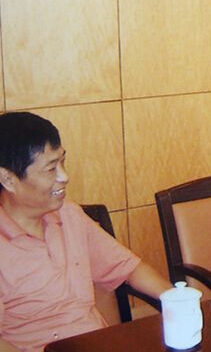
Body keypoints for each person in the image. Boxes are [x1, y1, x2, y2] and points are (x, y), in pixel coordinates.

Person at [0, 112, 173, 352]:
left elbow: (130, 268)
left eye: (62, 162)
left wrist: (180, 301)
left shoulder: (69, 215)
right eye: (51, 169)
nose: (64, 176)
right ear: (8, 179)